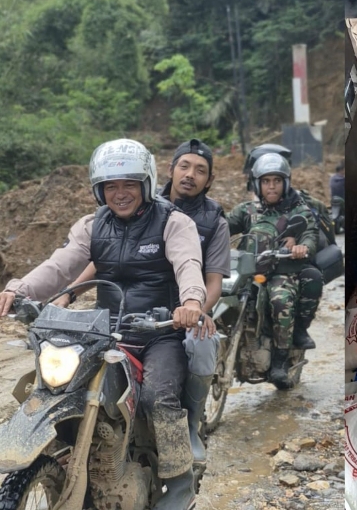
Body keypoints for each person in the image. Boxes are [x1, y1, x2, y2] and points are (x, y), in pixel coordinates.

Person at [0, 139, 207, 510]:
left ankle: (180, 483)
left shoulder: (175, 222)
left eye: (129, 184)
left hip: (158, 332)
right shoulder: (92, 225)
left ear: (146, 183)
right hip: (105, 330)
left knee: (158, 397)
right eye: (111, 185)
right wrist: (19, 288)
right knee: (56, 386)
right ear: (99, 189)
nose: (120, 193)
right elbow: (61, 263)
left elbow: (188, 263)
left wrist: (191, 302)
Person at [57, 139, 229, 469]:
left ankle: (186, 445)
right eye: (184, 166)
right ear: (168, 171)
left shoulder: (203, 221)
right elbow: (100, 258)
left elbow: (197, 271)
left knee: (197, 350)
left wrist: (195, 307)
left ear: (209, 179)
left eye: (200, 170)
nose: (190, 175)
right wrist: (67, 292)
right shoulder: (121, 211)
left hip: (171, 317)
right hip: (115, 322)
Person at [227, 153, 318, 385]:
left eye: (276, 181)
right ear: (258, 183)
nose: (271, 186)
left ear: (285, 183)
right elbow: (223, 228)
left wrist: (301, 247)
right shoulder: (247, 210)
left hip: (282, 272)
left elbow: (310, 234)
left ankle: (279, 360)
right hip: (248, 272)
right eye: (266, 181)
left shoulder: (297, 210)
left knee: (280, 301)